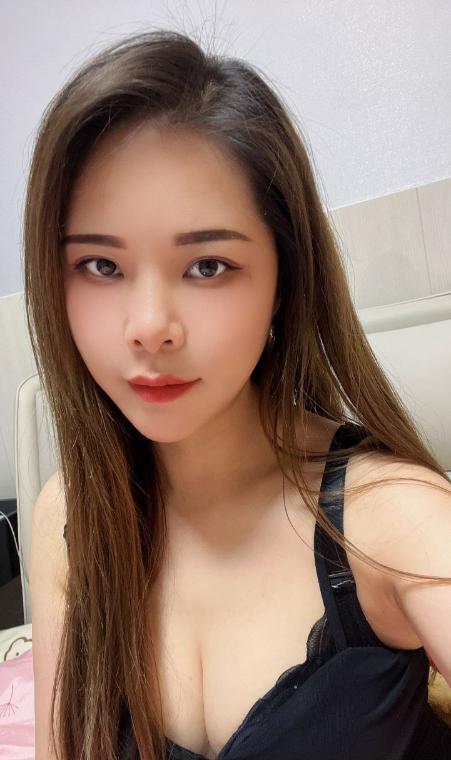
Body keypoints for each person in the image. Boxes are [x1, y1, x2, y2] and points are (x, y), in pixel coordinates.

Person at [26, 29, 451, 760]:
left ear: (284, 279)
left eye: (207, 266)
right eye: (100, 265)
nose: (149, 326)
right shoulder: (71, 516)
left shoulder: (391, 517)